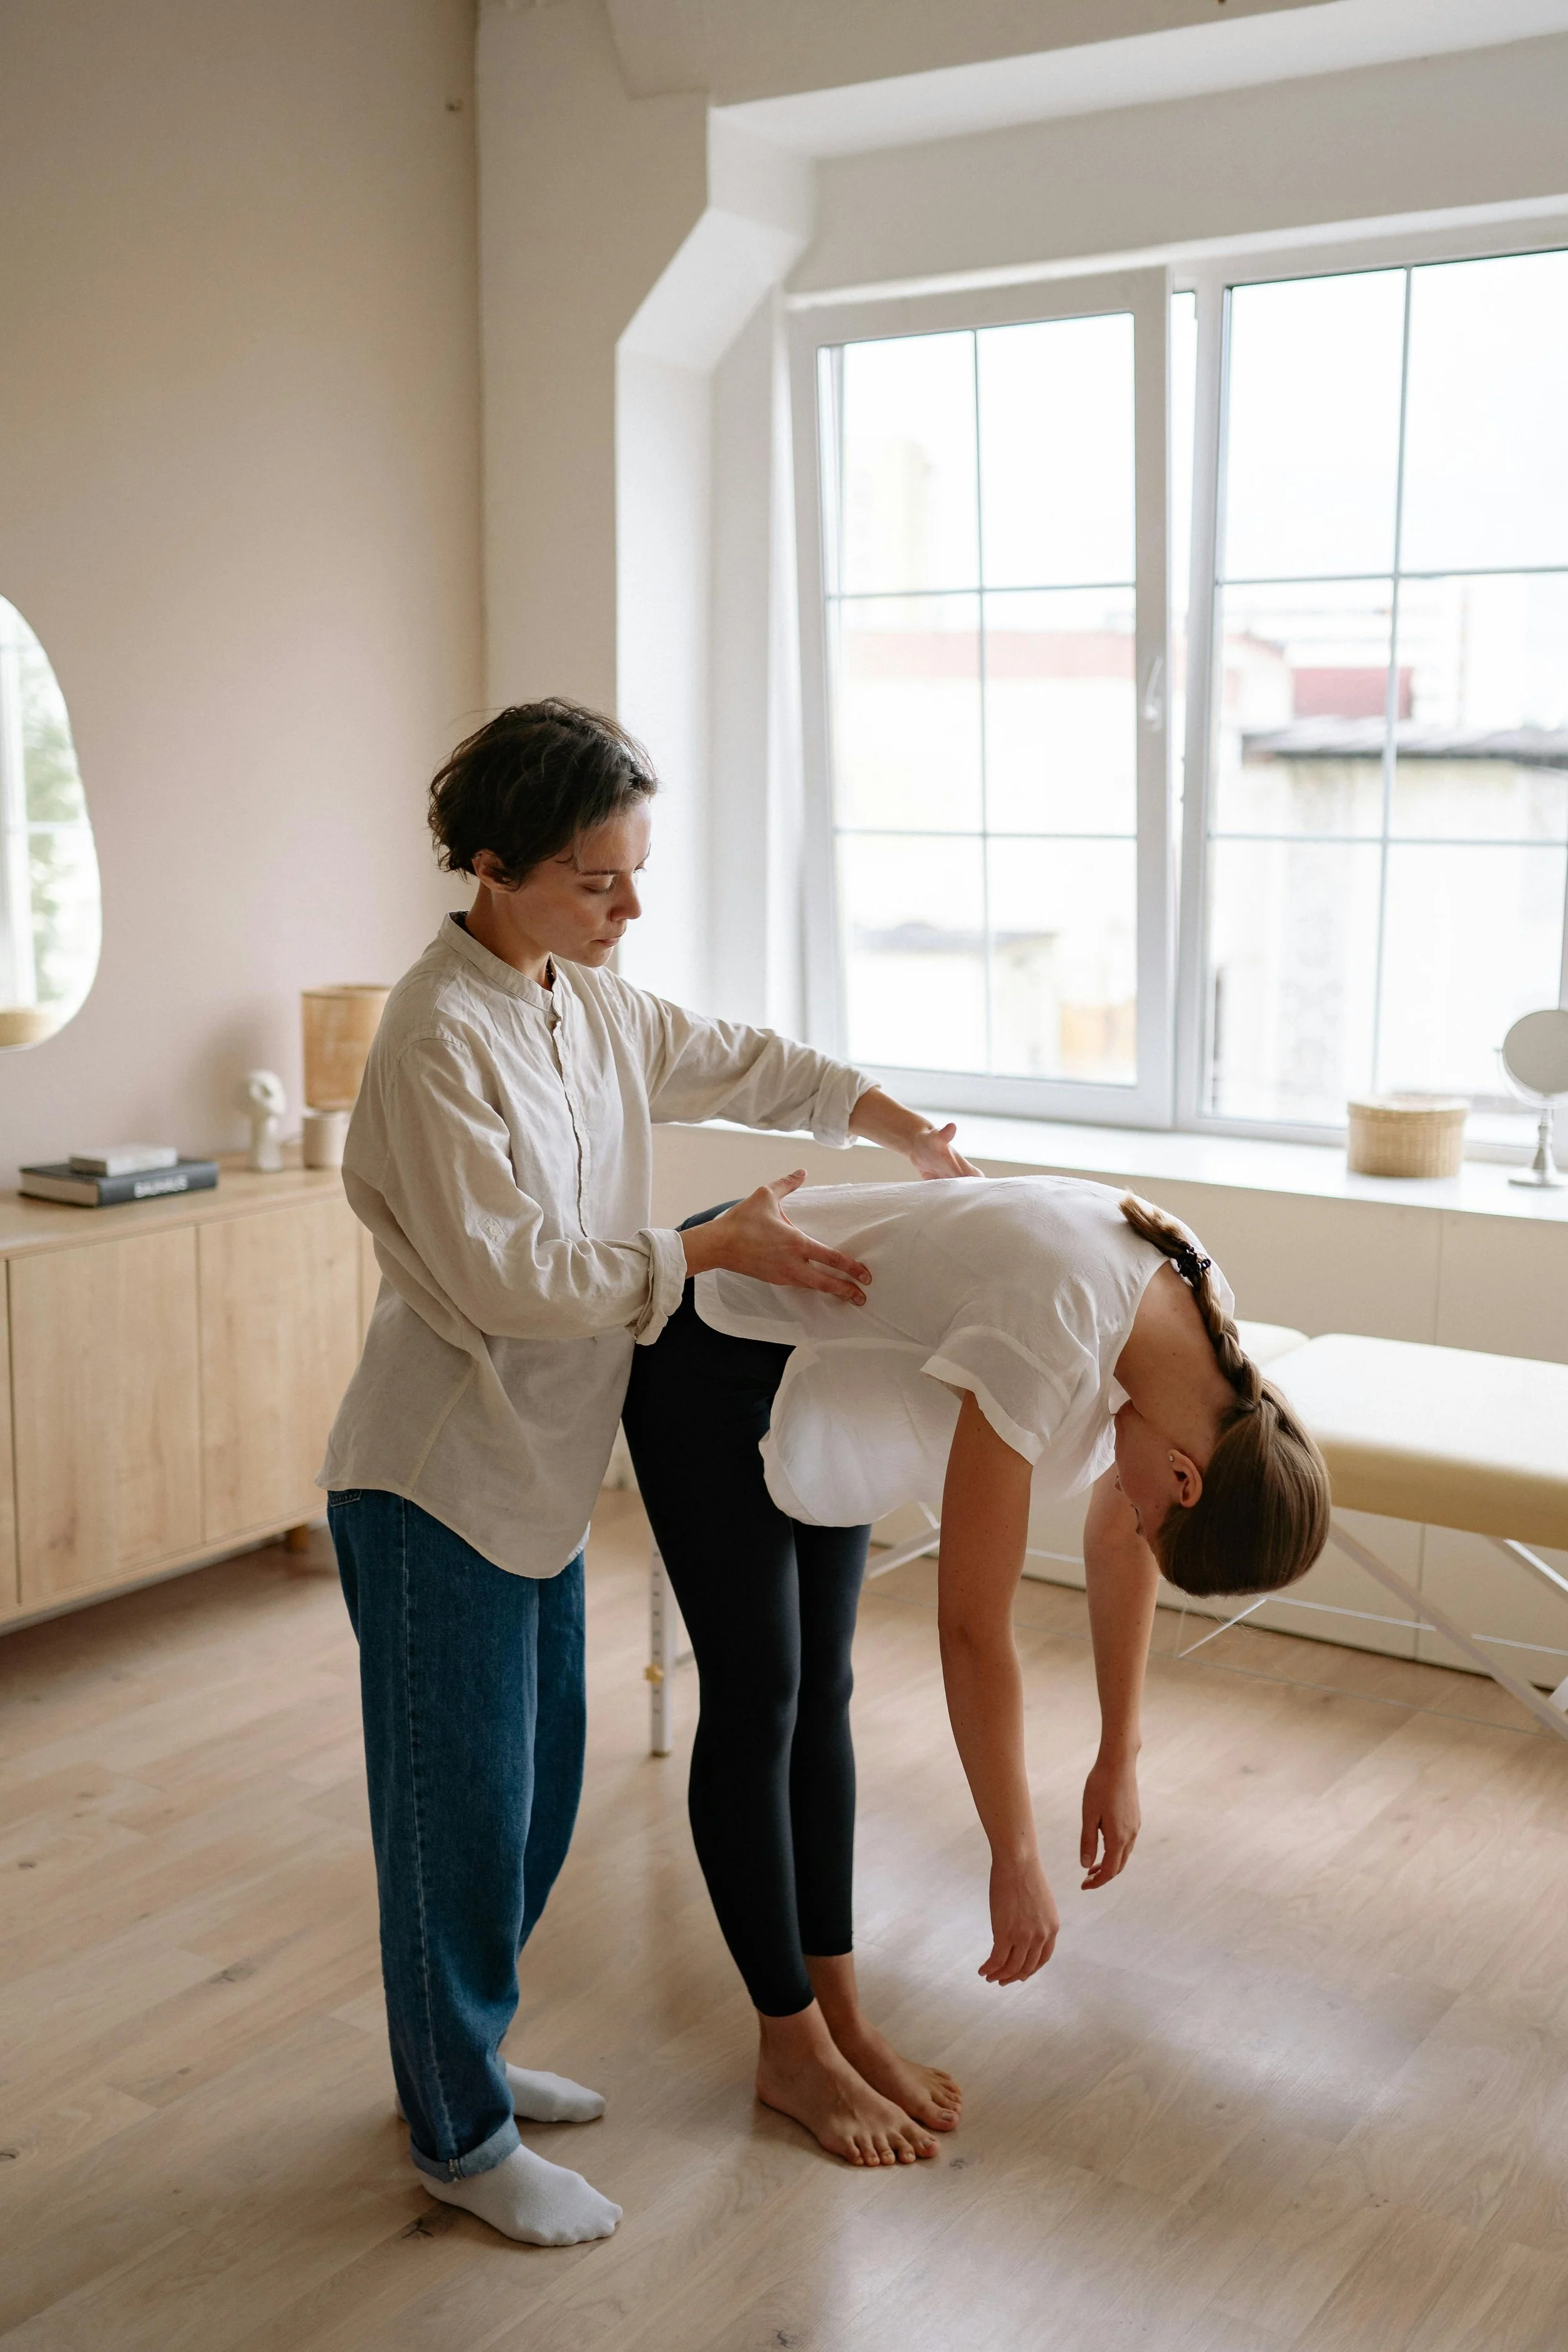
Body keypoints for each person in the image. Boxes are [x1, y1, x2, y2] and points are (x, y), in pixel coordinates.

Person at [319, 700, 976, 2245]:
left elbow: (741, 1056)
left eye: (635, 874)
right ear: (490, 865)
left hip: (539, 1479)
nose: (628, 909)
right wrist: (703, 1247)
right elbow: (507, 1279)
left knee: (533, 1804)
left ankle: (462, 2052)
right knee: (456, 1825)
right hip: (434, 1483)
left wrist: (896, 1124)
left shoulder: (577, 999)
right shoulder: (433, 1037)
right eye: (595, 881)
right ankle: (458, 2137)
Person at [620, 1173, 1332, 2166]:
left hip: (831, 1359)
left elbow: (1123, 1540)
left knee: (821, 1685)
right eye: (1158, 1510)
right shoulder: (1060, 1326)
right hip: (720, 1333)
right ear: (1185, 1477)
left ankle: (842, 2020)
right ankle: (791, 2048)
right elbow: (971, 1629)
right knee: (759, 1697)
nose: (1130, 1507)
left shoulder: (1209, 1363)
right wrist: (1016, 1858)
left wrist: (1118, 1754)